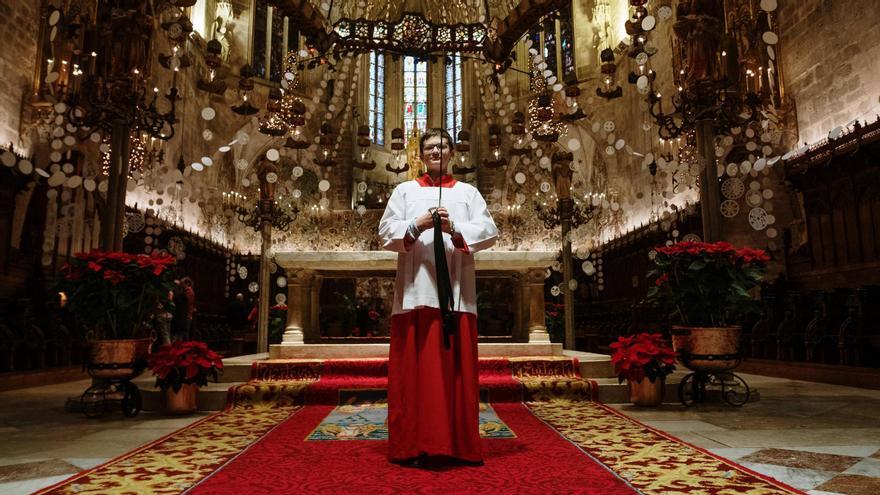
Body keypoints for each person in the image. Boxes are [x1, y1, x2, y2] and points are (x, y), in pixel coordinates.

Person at [378, 128, 498, 467]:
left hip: (457, 296)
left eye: (442, 145)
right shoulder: (404, 191)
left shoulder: (468, 192)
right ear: (420, 154)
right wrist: (414, 226)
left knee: (455, 374)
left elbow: (489, 231)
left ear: (452, 153)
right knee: (417, 376)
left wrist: (456, 229)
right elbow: (385, 232)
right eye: (430, 146)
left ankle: (459, 444)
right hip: (416, 295)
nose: (436, 151)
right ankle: (413, 445)